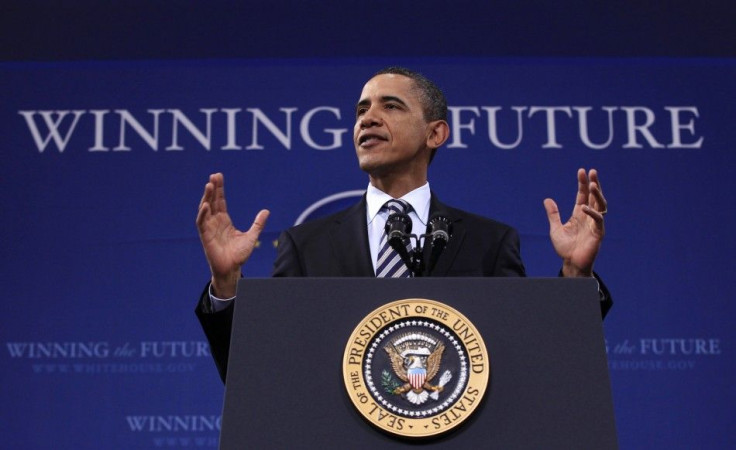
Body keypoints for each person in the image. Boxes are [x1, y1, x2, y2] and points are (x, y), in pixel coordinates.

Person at [195, 67, 612, 382]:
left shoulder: (488, 242)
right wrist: (227, 284)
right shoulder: (306, 245)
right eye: (362, 110)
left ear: (436, 133)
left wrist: (576, 277)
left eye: (390, 106)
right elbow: (258, 375)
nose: (368, 118)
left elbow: (532, 365)